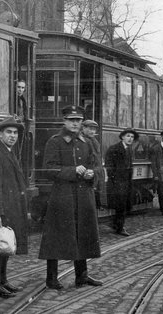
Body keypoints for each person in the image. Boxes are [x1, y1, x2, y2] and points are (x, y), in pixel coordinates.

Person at [39, 105, 103, 290]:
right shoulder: (55, 141)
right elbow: (48, 169)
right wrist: (72, 171)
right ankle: (51, 278)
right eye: (71, 120)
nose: (75, 123)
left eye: (78, 120)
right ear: (64, 121)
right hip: (63, 196)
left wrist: (93, 174)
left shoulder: (87, 142)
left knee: (84, 234)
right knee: (56, 236)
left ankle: (82, 276)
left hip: (84, 196)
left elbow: (97, 166)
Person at [0, 116, 29, 298]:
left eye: (15, 132)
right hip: (1, 209)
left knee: (5, 245)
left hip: (10, 207)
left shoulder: (8, 152)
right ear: (0, 134)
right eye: (8, 132)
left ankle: (2, 280)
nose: (12, 136)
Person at [104, 128, 138, 236]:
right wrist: (115, 180)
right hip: (117, 183)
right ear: (122, 137)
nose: (130, 139)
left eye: (132, 137)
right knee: (120, 206)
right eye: (128, 136)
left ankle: (117, 224)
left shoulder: (129, 149)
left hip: (126, 183)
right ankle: (119, 228)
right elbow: (109, 167)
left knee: (123, 205)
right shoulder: (114, 149)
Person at [81, 120, 106, 209]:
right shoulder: (83, 141)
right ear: (83, 128)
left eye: (94, 129)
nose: (92, 132)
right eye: (90, 129)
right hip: (88, 173)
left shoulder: (94, 141)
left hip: (95, 172)